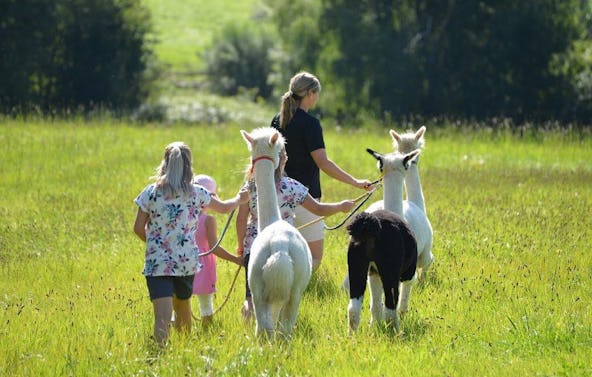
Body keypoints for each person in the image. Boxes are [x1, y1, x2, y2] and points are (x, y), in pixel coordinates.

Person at [133, 141, 247, 348]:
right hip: (185, 263)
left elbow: (138, 228)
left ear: (165, 163)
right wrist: (240, 198)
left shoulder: (150, 192)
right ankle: (184, 352)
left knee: (162, 317)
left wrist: (156, 246)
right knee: (183, 307)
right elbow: (223, 208)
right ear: (188, 165)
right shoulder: (197, 192)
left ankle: (160, 354)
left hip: (157, 264)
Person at [235, 146, 355, 319]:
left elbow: (241, 220)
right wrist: (341, 207)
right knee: (287, 295)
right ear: (283, 160)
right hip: (286, 244)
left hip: (254, 246)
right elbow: (318, 209)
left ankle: (251, 331)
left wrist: (241, 246)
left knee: (252, 298)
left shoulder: (250, 186)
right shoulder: (291, 187)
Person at [270, 71, 372, 271]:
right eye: (316, 93)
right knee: (313, 259)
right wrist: (356, 182)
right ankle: (294, 291)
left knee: (283, 251)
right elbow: (323, 163)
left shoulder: (276, 120)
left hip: (278, 197)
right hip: (307, 199)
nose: (317, 97)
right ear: (310, 93)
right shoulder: (311, 124)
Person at [191, 174, 243, 327]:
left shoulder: (183, 216)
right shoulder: (208, 221)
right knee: (206, 305)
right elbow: (214, 247)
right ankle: (207, 332)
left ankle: (178, 333)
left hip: (182, 261)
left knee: (179, 303)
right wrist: (235, 259)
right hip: (203, 266)